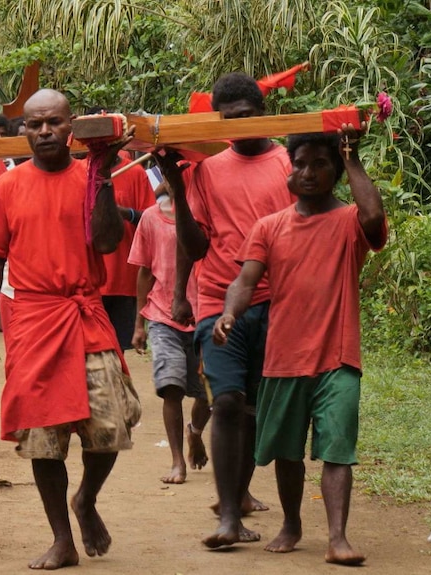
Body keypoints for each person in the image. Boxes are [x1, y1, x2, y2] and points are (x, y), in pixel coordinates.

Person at [0, 89, 141, 570]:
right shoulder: (8, 186)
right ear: (24, 130)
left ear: (71, 126)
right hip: (35, 321)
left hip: (85, 313)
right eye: (35, 124)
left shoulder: (92, 177)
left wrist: (101, 175)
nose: (44, 131)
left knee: (110, 426)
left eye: (53, 123)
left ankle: (86, 500)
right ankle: (62, 537)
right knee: (43, 438)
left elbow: (106, 242)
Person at [213, 126, 385, 565]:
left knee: (337, 449)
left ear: (336, 172)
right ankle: (292, 523)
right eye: (301, 164)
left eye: (320, 164)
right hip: (284, 356)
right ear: (290, 172)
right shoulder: (269, 227)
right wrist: (230, 313)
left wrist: (352, 157)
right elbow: (244, 280)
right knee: (288, 453)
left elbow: (374, 219)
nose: (308, 173)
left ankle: (338, 538)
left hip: (337, 355)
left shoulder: (349, 221)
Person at [158, 72, 294, 548]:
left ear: (262, 113)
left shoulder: (290, 165)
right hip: (218, 302)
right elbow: (194, 246)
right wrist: (177, 185)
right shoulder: (208, 171)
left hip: (277, 303)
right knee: (228, 402)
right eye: (228, 120)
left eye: (245, 117)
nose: (238, 126)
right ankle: (228, 519)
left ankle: (234, 504)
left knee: (255, 410)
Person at [129, 192, 211, 484]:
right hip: (163, 316)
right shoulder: (151, 218)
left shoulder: (208, 214)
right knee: (171, 387)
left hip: (207, 314)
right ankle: (177, 462)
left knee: (207, 394)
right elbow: (144, 271)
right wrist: (139, 323)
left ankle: (196, 432)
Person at [100, 152, 156, 352]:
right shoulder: (80, 171)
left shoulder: (135, 172)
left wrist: (126, 213)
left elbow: (151, 218)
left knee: (115, 350)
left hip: (122, 279)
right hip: (86, 282)